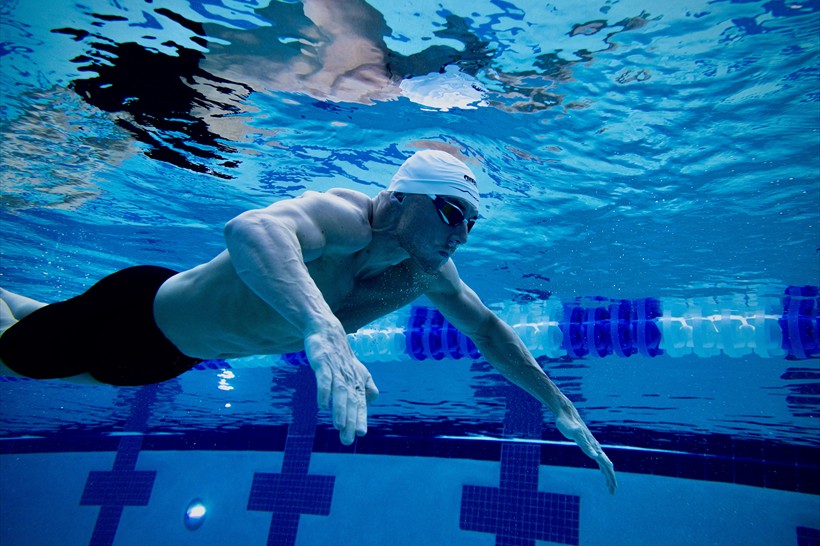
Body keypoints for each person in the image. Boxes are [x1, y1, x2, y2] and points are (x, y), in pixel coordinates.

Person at [0, 150, 617, 494]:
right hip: (135, 313)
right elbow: (251, 228)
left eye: (471, 222)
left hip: (171, 356)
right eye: (451, 212)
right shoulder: (344, 218)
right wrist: (322, 327)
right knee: (13, 353)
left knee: (31, 326)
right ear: (401, 198)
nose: (461, 234)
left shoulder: (424, 273)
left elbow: (487, 330)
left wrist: (559, 404)